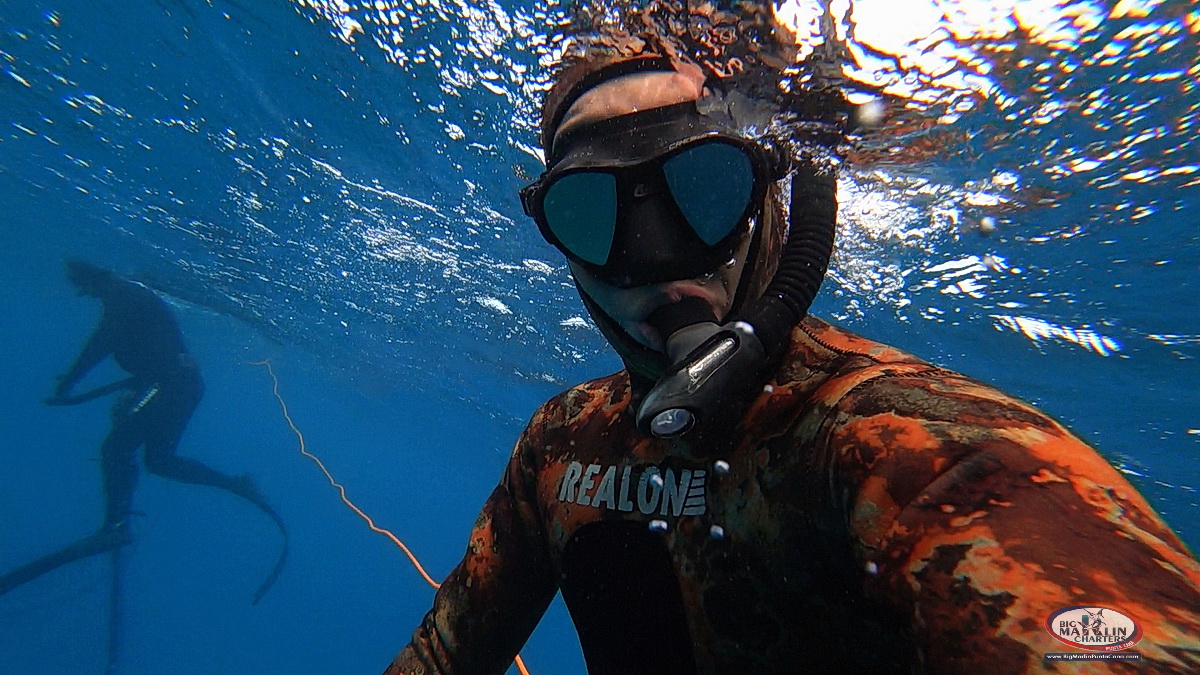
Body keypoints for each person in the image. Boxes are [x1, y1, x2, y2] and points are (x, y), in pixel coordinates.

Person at [383, 52, 1200, 674]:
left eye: (703, 188)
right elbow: (447, 652)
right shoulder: (559, 444)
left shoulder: (897, 443)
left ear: (770, 196)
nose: (656, 257)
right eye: (592, 213)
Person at [0, 260, 287, 604]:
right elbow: (137, 350)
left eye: (81, 285)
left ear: (92, 278)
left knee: (116, 450)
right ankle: (234, 484)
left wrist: (69, 384)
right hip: (177, 387)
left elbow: (100, 344)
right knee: (158, 461)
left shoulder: (121, 295)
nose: (81, 294)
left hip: (171, 388)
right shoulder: (126, 294)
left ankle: (116, 526)